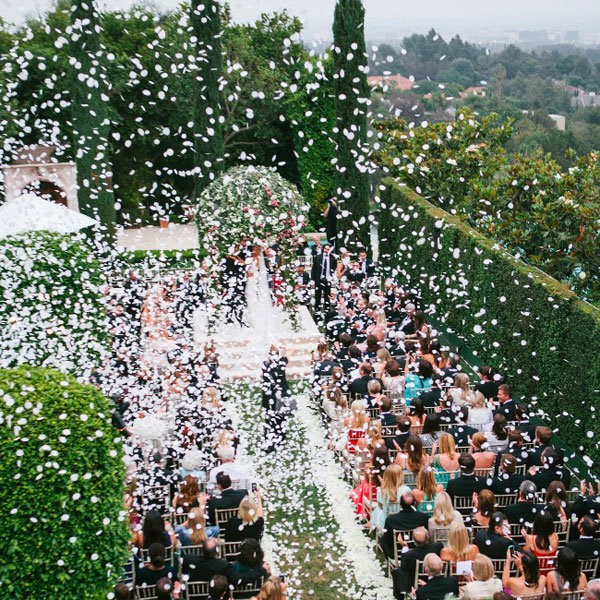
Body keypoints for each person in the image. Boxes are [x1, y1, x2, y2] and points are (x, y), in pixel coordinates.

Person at [392, 527, 444, 597]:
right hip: (435, 578)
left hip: (416, 582)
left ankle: (399, 596)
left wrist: (405, 547)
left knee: (398, 571)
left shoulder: (409, 555)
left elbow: (403, 568)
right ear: (428, 537)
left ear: (413, 540)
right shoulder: (438, 546)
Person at [261, 346, 293, 452]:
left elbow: (262, 374)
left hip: (269, 395)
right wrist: (284, 349)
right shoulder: (282, 362)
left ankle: (270, 443)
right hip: (281, 394)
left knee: (269, 418)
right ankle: (281, 441)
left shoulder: (265, 364)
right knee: (281, 417)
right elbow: (290, 351)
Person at [381, 491, 430, 558]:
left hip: (397, 553)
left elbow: (386, 538)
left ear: (400, 503)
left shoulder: (391, 519)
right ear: (414, 503)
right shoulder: (423, 517)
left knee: (383, 538)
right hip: (417, 550)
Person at [522, 511, 559, 575]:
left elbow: (527, 559)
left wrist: (526, 537)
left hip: (535, 573)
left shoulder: (530, 539)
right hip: (550, 570)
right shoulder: (555, 536)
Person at [311, 243, 337, 313]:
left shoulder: (333, 258)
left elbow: (334, 268)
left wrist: (330, 276)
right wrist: (313, 280)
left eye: (328, 249)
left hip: (327, 280)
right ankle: (317, 312)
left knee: (327, 297)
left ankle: (327, 312)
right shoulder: (318, 257)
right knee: (317, 297)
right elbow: (313, 269)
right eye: (325, 249)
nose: (326, 250)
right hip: (318, 280)